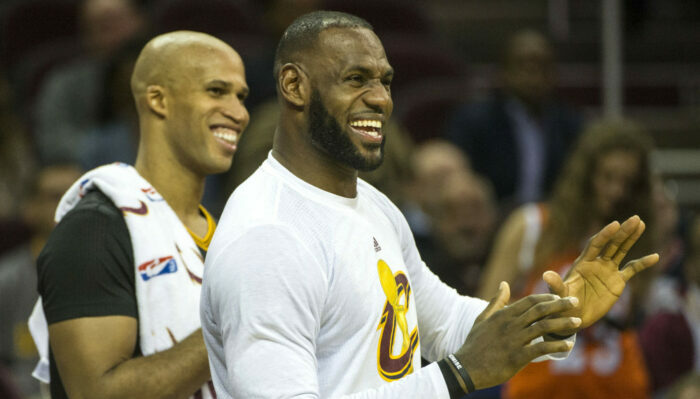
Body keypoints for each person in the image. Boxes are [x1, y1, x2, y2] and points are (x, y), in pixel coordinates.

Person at [201, 11, 658, 398]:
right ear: (294, 86)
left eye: (385, 81)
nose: (380, 98)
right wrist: (456, 376)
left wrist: (555, 314)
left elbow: (449, 323)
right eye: (356, 79)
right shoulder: (268, 237)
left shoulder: (373, 206)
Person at [29, 31, 250, 399]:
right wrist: (233, 322)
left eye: (241, 96)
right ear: (158, 100)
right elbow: (96, 394)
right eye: (216, 91)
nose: (239, 112)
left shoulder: (233, 234)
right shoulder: (95, 231)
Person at [478, 119, 656, 399]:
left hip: (616, 387)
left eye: (628, 183)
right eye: (607, 177)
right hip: (538, 388)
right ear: (585, 176)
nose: (616, 191)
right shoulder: (533, 226)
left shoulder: (636, 240)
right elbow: (484, 314)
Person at [445, 29, 583, 210]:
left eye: (542, 66)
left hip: (553, 220)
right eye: (524, 65)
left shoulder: (570, 124)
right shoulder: (473, 121)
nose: (534, 76)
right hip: (491, 219)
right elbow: (460, 182)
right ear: (503, 72)